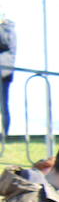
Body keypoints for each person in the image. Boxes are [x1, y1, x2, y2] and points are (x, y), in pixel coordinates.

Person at [0, 11, 15, 139]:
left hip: (3, 72)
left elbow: (4, 42)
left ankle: (4, 134)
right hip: (4, 71)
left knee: (3, 105)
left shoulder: (8, 30)